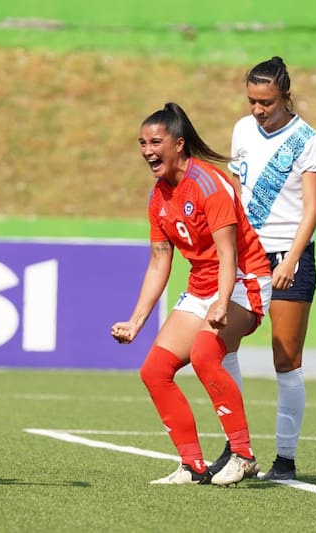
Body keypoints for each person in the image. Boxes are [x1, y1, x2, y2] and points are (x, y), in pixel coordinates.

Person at [111, 102, 272, 486]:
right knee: (154, 371)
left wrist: (221, 300)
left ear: (179, 144)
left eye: (155, 141)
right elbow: (158, 260)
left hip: (244, 281)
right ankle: (192, 465)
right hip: (203, 286)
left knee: (204, 354)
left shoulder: (209, 183)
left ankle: (243, 455)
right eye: (141, 143)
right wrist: (136, 321)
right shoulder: (158, 196)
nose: (147, 150)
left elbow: (229, 252)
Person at [210, 56, 316, 481]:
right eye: (252, 100)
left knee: (286, 359)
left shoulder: (307, 139)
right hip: (246, 256)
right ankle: (237, 447)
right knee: (222, 346)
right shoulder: (243, 130)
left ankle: (285, 460)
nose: (258, 110)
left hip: (288, 259)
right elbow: (237, 191)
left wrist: (291, 261)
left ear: (285, 97)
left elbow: (311, 209)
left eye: (267, 102)